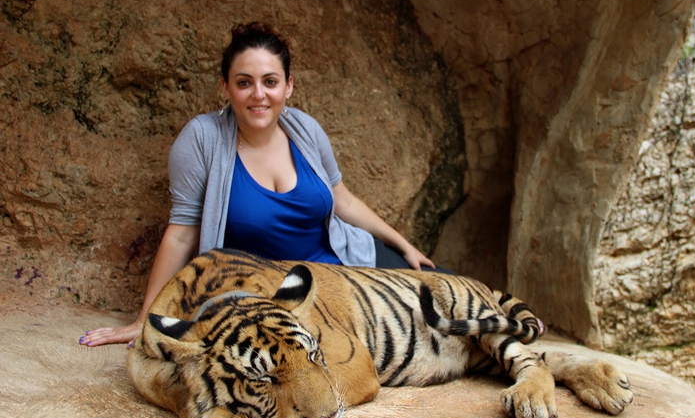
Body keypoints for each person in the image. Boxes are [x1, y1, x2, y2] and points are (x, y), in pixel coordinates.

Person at [80, 22, 435, 347]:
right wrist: (146, 319)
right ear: (225, 87)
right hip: (278, 296)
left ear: (288, 85)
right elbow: (182, 234)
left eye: (270, 81)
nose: (258, 95)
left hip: (347, 264)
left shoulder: (305, 130)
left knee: (445, 293)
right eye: (244, 82)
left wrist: (405, 247)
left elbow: (344, 201)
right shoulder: (201, 140)